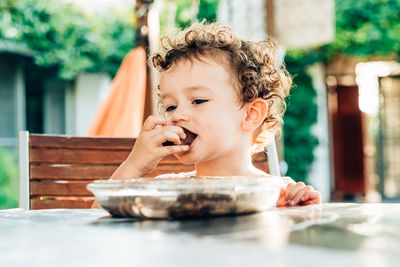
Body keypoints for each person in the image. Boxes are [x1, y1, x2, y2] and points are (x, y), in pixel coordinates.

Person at [105, 22, 320, 207]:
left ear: (250, 115)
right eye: (170, 107)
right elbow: (96, 217)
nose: (177, 115)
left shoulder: (277, 193)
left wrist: (298, 209)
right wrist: (133, 166)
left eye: (198, 100)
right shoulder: (167, 189)